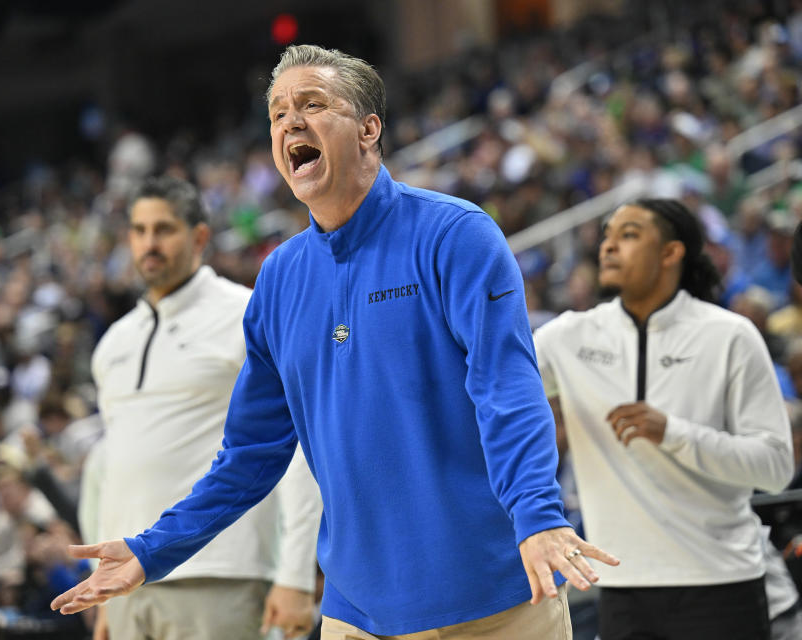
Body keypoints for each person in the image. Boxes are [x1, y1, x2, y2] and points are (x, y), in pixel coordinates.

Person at [52, 44, 618, 639]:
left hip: (496, 599)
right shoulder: (278, 278)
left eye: (313, 104)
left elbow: (507, 389)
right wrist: (152, 550)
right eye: (277, 114)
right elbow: (250, 454)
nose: (290, 121)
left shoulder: (456, 235)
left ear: (369, 129)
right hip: (356, 616)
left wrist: (537, 517)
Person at [533, 198, 795, 639]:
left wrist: (673, 432)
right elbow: (496, 400)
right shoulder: (564, 339)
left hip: (722, 584)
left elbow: (776, 467)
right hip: (620, 589)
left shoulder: (730, 335)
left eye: (629, 235)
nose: (608, 247)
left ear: (672, 253)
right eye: (607, 236)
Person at [82, 175, 323, 640]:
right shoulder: (112, 344)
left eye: (164, 229)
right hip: (128, 581)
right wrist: (104, 587)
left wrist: (294, 574)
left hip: (221, 572)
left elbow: (293, 451)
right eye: (139, 230)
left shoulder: (246, 314)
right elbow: (115, 469)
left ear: (199, 237)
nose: (149, 243)